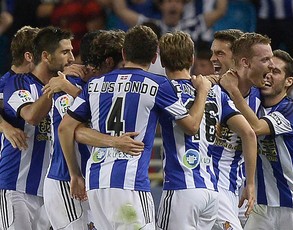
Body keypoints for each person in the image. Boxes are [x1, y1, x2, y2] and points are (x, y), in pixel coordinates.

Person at [58, 24, 210, 229]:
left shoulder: (94, 85)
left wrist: (76, 175)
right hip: (130, 185)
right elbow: (191, 126)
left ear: (124, 52)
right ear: (155, 58)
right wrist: (202, 91)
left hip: (96, 184)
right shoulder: (157, 84)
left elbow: (66, 128)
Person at [156, 31, 257, 230]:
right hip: (210, 190)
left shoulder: (163, 89)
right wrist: (251, 183)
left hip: (180, 187)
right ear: (192, 59)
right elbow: (249, 132)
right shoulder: (216, 92)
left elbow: (191, 125)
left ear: (161, 61)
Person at [0, 26, 74, 230]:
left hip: (49, 190)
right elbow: (31, 116)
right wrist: (4, 126)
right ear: (43, 55)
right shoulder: (15, 82)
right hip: (16, 185)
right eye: (65, 52)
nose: (71, 58)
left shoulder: (64, 85)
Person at [221, 49, 293, 230]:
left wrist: (233, 90)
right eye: (267, 70)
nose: (268, 75)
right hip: (262, 206)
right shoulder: (254, 105)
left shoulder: (291, 111)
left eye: (276, 72)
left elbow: (256, 128)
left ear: (289, 82)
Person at [211, 31, 274, 230]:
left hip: (239, 188)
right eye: (265, 60)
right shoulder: (211, 91)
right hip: (214, 183)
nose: (213, 58)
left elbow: (255, 129)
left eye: (220, 53)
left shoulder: (259, 93)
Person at [0, 26, 39, 152]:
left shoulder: (37, 82)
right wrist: (5, 127)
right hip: (11, 160)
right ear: (29, 56)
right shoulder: (5, 84)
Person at [111, 0, 227, 42]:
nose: (173, 5)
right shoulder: (149, 27)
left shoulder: (194, 25)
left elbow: (220, 11)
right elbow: (121, 10)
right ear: (161, 5)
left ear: (183, 6)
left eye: (178, 1)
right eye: (169, 1)